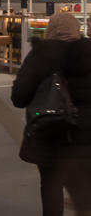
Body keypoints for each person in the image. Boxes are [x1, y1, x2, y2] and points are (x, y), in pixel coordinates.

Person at [11, 12, 91, 216]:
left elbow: (18, 97)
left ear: (50, 31)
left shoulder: (40, 55)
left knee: (50, 186)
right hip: (85, 136)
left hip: (49, 134)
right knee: (84, 192)